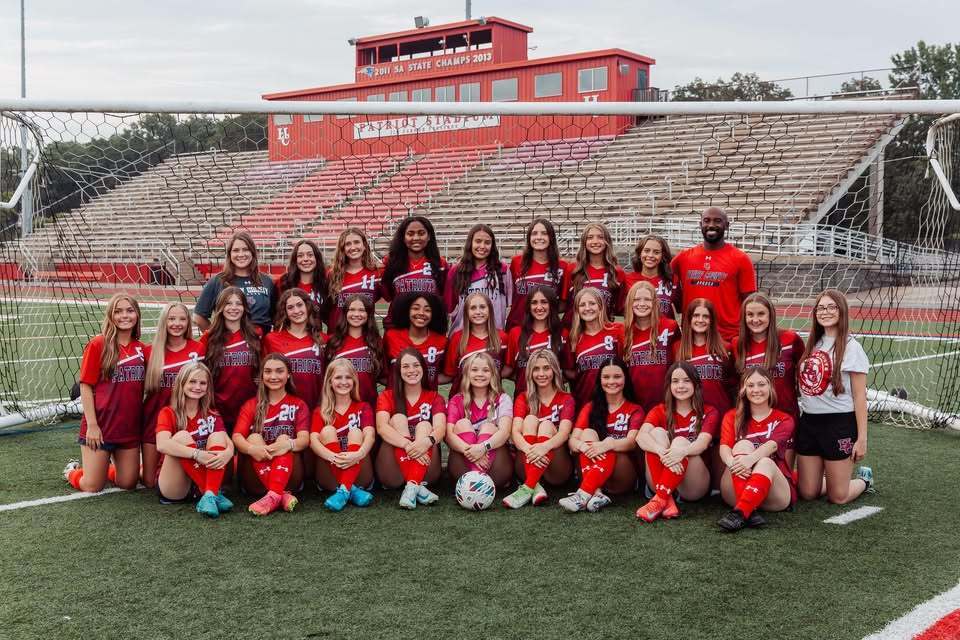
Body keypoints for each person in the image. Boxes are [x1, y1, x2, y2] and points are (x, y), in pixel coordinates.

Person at [796, 289, 873, 504]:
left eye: (831, 307)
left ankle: (864, 480)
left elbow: (859, 396)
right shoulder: (812, 345)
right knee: (808, 493)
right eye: (821, 308)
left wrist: (862, 439)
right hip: (809, 422)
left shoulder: (852, 348)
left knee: (838, 497)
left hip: (839, 423)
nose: (825, 312)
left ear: (841, 312)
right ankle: (829, 476)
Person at [64, 293, 145, 493]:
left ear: (137, 315)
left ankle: (104, 468)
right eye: (118, 311)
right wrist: (92, 425)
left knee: (128, 484)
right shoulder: (98, 344)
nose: (124, 316)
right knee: (92, 486)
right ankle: (72, 472)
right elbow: (85, 386)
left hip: (128, 430)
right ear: (110, 316)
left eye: (129, 310)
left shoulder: (142, 349)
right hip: (100, 427)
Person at [635, 361, 720, 522]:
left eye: (686, 380)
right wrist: (661, 452)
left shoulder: (709, 411)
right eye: (675, 381)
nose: (680, 386)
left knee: (680, 441)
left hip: (693, 487)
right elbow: (641, 437)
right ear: (669, 385)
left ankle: (659, 499)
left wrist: (680, 452)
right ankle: (665, 501)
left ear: (696, 383)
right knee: (657, 433)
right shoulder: (660, 409)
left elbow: (702, 443)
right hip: (660, 478)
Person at [717, 367, 796, 532]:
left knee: (765, 461)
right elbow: (724, 447)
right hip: (735, 487)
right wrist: (733, 462)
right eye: (751, 385)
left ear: (770, 387)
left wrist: (749, 459)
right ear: (743, 390)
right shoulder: (732, 416)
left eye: (761, 384)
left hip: (774, 494)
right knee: (741, 445)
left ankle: (740, 512)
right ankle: (747, 510)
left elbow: (772, 445)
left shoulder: (784, 418)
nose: (756, 390)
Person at [560, 357, 644, 513]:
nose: (611, 381)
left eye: (617, 376)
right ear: (600, 380)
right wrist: (583, 445)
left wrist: (608, 444)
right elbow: (572, 441)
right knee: (587, 433)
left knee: (610, 441)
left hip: (622, 476)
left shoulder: (635, 409)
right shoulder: (591, 407)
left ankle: (583, 494)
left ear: (625, 378)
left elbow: (632, 442)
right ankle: (596, 492)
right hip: (594, 473)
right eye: (606, 377)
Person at [232, 354, 310, 516]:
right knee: (253, 438)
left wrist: (286, 445)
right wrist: (252, 449)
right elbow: (237, 437)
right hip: (255, 479)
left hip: (290, 478)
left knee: (285, 438)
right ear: (262, 375)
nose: (273, 376)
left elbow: (304, 440)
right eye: (268, 372)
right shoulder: (251, 404)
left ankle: (274, 494)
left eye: (279, 371)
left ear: (288, 374)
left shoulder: (298, 404)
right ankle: (279, 495)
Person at [154, 362, 234, 517]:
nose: (197, 387)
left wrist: (229, 452)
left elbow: (226, 439)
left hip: (204, 477)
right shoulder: (168, 412)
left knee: (217, 436)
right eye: (192, 381)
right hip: (176, 486)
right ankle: (212, 493)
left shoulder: (212, 414)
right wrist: (197, 454)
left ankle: (209, 494)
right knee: (182, 436)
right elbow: (162, 444)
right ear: (182, 383)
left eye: (202, 383)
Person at [141, 303, 204, 488]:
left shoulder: (199, 349)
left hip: (186, 421)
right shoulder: (150, 351)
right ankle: (119, 470)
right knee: (149, 482)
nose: (177, 323)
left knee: (185, 478)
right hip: (154, 420)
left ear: (188, 323)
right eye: (171, 319)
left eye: (182, 319)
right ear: (164, 322)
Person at [375, 348, 446, 509]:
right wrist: (408, 445)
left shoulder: (435, 397)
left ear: (423, 368)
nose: (411, 370)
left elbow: (440, 429)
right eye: (405, 366)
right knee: (398, 419)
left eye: (416, 365)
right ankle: (416, 486)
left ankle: (412, 486)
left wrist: (426, 442)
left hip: (427, 469)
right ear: (398, 371)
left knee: (424, 425)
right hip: (392, 472)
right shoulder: (386, 396)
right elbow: (381, 427)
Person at [503, 349, 575, 508]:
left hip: (557, 470)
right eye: (536, 369)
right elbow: (515, 432)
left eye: (546, 368)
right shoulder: (524, 397)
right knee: (529, 420)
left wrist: (543, 447)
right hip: (526, 461)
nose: (541, 373)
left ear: (555, 370)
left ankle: (528, 487)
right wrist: (531, 450)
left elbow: (564, 433)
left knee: (547, 425)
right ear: (530, 372)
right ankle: (534, 485)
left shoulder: (566, 398)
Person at [671, 206, 756, 341]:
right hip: (692, 336)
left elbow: (751, 303)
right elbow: (662, 279)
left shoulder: (741, 259)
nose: (711, 225)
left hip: (728, 337)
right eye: (706, 221)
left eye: (717, 221)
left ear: (726, 225)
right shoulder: (683, 258)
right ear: (700, 225)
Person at [309, 358, 375, 512]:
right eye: (338, 377)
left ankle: (344, 490)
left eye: (348, 377)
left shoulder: (363, 407)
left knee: (356, 432)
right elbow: (313, 440)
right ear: (329, 381)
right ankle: (350, 490)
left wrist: (358, 454)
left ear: (354, 381)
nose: (343, 382)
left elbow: (370, 435)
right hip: (330, 474)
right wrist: (334, 458)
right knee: (327, 431)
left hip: (360, 470)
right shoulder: (321, 412)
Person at [445, 352, 514, 489]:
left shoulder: (503, 399)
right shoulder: (457, 400)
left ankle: (476, 484)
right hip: (463, 468)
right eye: (474, 370)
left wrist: (483, 447)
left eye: (486, 370)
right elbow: (448, 435)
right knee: (462, 424)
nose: (480, 374)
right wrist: (472, 452)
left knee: (489, 427)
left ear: (493, 374)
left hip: (496, 469)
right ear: (466, 373)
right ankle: (477, 482)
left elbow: (505, 432)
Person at [731, 292, 805, 419]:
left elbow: (803, 374)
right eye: (750, 315)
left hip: (787, 416)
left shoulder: (790, 339)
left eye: (761, 314)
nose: (755, 320)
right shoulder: (737, 344)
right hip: (752, 419)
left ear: (771, 315)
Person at [199, 287, 260, 432]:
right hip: (217, 409)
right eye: (228, 303)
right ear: (220, 307)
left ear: (245, 308)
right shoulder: (208, 338)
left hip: (249, 408)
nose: (234, 308)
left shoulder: (256, 335)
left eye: (238, 303)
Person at [194, 231, 276, 335]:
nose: (241, 254)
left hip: (261, 345)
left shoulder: (266, 281)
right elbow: (198, 317)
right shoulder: (218, 281)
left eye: (245, 249)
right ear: (229, 254)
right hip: (229, 348)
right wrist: (217, 337)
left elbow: (277, 317)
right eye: (236, 250)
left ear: (253, 252)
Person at [262, 288, 327, 412]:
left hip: (317, 408)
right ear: (285, 312)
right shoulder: (271, 339)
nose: (296, 311)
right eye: (290, 307)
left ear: (307, 307)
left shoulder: (323, 340)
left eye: (299, 305)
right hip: (284, 411)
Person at [443, 223, 512, 332]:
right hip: (464, 337)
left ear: (492, 245)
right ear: (470, 243)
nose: (482, 246)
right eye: (478, 241)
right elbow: (449, 308)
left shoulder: (502, 270)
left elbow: (509, 305)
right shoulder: (456, 271)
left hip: (494, 337)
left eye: (487, 242)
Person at [380, 216, 447, 329]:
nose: (416, 237)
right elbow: (387, 296)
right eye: (410, 234)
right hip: (398, 327)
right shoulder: (390, 263)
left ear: (429, 236)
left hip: (430, 327)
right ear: (403, 237)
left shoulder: (440, 264)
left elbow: (444, 297)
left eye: (421, 233)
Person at [623, 281, 679, 412]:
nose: (642, 304)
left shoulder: (670, 327)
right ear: (630, 302)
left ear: (654, 302)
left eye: (647, 299)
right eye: (636, 299)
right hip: (633, 404)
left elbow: (679, 364)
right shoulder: (622, 332)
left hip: (665, 403)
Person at [674, 298, 736, 416]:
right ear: (689, 319)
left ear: (712, 320)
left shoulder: (725, 348)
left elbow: (733, 384)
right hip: (690, 417)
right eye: (696, 315)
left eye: (706, 316)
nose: (700, 320)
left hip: (720, 413)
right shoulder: (677, 348)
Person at [564, 287, 624, 408]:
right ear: (577, 310)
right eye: (582, 305)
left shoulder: (617, 330)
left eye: (592, 303)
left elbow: (625, 362)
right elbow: (568, 371)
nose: (587, 308)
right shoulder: (573, 338)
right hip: (584, 403)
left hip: (614, 402)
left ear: (601, 306)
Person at [506, 218, 571, 329]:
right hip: (517, 327)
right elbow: (510, 297)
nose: (539, 237)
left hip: (546, 329)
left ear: (551, 238)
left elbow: (563, 304)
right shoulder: (516, 262)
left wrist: (541, 311)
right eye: (534, 233)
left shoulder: (562, 267)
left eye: (544, 233)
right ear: (529, 238)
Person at [502, 285, 567, 396]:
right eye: (534, 303)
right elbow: (509, 369)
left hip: (553, 400)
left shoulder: (563, 334)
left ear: (551, 304)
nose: (539, 307)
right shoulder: (515, 333)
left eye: (544, 302)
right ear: (528, 306)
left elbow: (568, 371)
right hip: (523, 400)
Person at [323, 294, 384, 408]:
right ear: (345, 313)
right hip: (338, 407)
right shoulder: (333, 341)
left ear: (368, 314)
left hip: (368, 406)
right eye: (352, 310)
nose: (356, 314)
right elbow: (326, 377)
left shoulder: (376, 342)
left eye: (362, 310)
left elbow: (384, 375)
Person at [443, 292, 507, 395]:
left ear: (490, 310)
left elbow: (507, 369)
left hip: (491, 400)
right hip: (462, 400)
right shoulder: (457, 338)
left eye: (482, 307)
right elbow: (450, 373)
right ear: (466, 312)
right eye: (473, 308)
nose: (478, 312)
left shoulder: (502, 338)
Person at [383, 293, 448, 389]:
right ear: (407, 311)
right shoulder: (391, 336)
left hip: (427, 402)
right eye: (416, 308)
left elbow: (448, 375)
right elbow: (381, 374)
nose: (421, 313)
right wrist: (396, 384)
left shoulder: (442, 341)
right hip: (395, 400)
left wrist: (426, 382)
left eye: (427, 310)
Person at [565, 223, 625, 323]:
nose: (595, 241)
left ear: (607, 242)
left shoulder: (617, 272)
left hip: (603, 331)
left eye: (601, 237)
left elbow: (619, 307)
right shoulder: (572, 269)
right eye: (590, 237)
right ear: (584, 242)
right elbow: (564, 303)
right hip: (574, 331)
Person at [327, 227, 381, 329]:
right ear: (342, 248)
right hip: (338, 335)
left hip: (365, 334)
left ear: (364, 245)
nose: (353, 247)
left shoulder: (377, 273)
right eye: (348, 244)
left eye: (356, 242)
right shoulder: (332, 274)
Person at [275, 239, 331, 331]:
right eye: (300, 256)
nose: (305, 259)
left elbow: (328, 316)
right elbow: (276, 314)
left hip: (315, 339)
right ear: (295, 260)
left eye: (310, 255)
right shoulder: (283, 282)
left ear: (316, 258)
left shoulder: (325, 284)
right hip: (288, 339)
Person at [622, 234, 677, 321]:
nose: (650, 255)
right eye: (646, 251)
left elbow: (681, 307)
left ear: (663, 256)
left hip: (665, 333)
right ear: (640, 253)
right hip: (637, 333)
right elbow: (620, 309)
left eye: (656, 252)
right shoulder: (626, 279)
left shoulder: (672, 280)